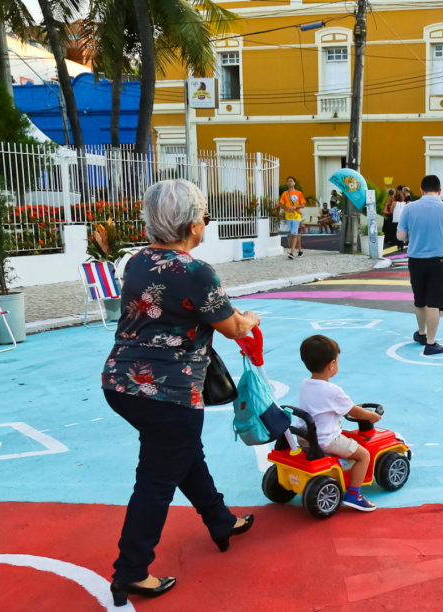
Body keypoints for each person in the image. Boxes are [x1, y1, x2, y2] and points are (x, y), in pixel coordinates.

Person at [101, 180, 259, 606]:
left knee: (181, 454)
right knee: (156, 479)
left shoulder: (136, 261)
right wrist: (250, 317)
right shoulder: (194, 271)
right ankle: (130, 571)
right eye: (205, 216)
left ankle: (220, 520)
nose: (206, 223)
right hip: (168, 391)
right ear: (192, 225)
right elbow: (231, 326)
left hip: (121, 382)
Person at [296, 335, 382, 511]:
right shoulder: (333, 391)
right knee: (364, 455)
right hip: (326, 440)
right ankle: (354, 495)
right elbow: (354, 411)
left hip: (303, 437)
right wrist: (371, 416)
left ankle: (341, 463)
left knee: (344, 437)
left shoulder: (305, 384)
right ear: (331, 365)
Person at [397, 174, 443, 355]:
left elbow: (400, 237)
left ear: (421, 190)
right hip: (439, 261)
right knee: (434, 302)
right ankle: (431, 344)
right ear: (440, 191)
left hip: (415, 260)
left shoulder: (409, 209)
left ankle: (422, 334)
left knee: (420, 299)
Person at [280, 176, 305, 259]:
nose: (289, 182)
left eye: (291, 181)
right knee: (294, 234)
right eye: (288, 181)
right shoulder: (284, 193)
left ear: (294, 183)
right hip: (288, 216)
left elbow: (303, 205)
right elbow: (281, 204)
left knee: (293, 234)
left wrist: (295, 207)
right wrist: (286, 208)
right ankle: (300, 251)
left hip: (296, 216)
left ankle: (291, 253)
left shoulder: (299, 193)